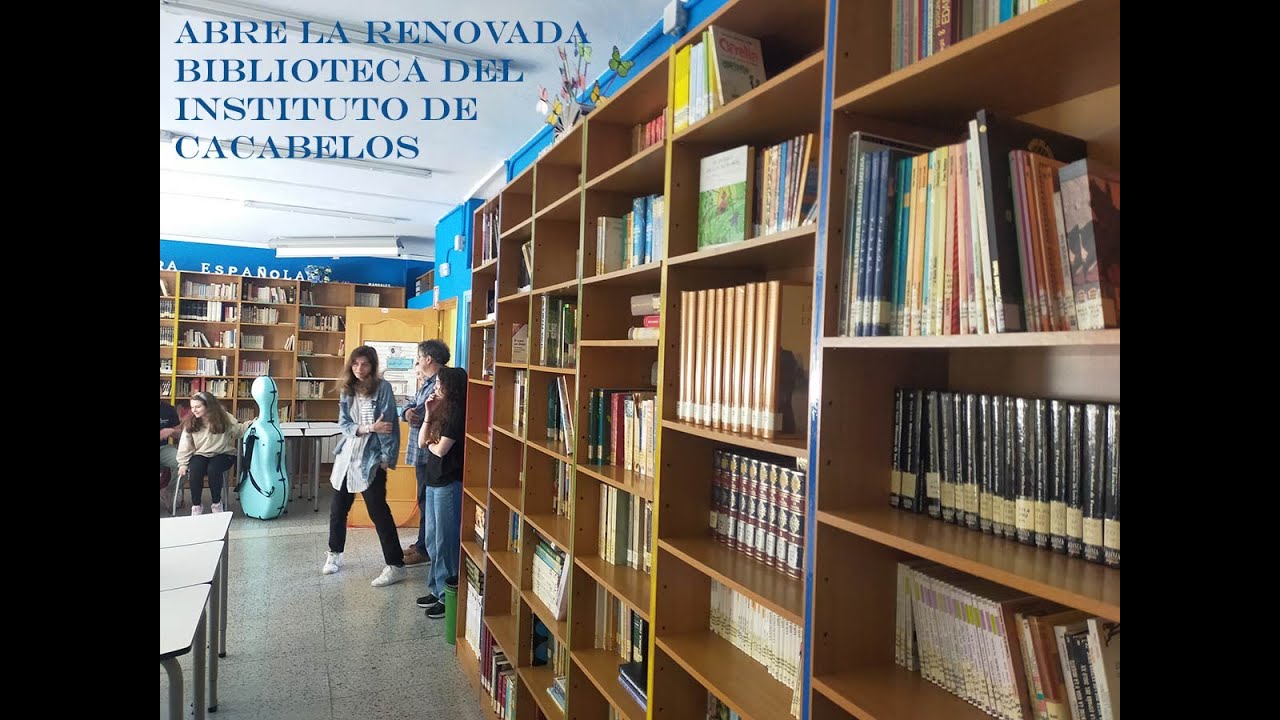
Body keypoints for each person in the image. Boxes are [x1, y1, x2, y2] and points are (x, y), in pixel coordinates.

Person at [324, 345, 408, 587]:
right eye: (355, 364)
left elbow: (389, 426)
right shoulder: (347, 389)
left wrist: (385, 459)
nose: (359, 369)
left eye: (365, 364)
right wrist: (368, 428)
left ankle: (396, 565)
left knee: (378, 512)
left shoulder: (383, 388)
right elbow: (345, 424)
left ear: (373, 366)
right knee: (338, 509)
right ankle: (334, 553)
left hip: (371, 460)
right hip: (346, 457)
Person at [416, 365, 467, 618]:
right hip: (433, 481)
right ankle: (436, 589)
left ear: (452, 387)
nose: (435, 388)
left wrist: (430, 442)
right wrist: (428, 414)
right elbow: (420, 442)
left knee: (445, 542)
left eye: (440, 384)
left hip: (449, 483)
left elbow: (438, 450)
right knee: (432, 541)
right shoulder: (439, 411)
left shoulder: (458, 414)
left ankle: (448, 597)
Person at [401, 339, 450, 569]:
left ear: (428, 358)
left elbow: (423, 413)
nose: (418, 362)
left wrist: (413, 412)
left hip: (428, 450)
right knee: (422, 499)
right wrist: (407, 410)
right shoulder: (426, 381)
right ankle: (423, 542)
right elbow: (411, 405)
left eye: (419, 357)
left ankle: (424, 549)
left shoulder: (442, 382)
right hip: (421, 448)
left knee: (425, 500)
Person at [176, 392, 244, 515]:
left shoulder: (225, 417)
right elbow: (185, 444)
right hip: (201, 454)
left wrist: (253, 423)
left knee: (214, 469)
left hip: (223, 453)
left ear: (208, 406)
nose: (194, 410)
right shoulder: (191, 421)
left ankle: (217, 503)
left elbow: (239, 431)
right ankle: (196, 505)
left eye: (198, 407)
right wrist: (182, 463)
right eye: (192, 407)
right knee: (195, 468)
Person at [160, 400, 182, 511]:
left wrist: (172, 431)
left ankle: (169, 491)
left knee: (184, 463)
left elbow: (179, 432)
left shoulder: (169, 409)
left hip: (163, 448)